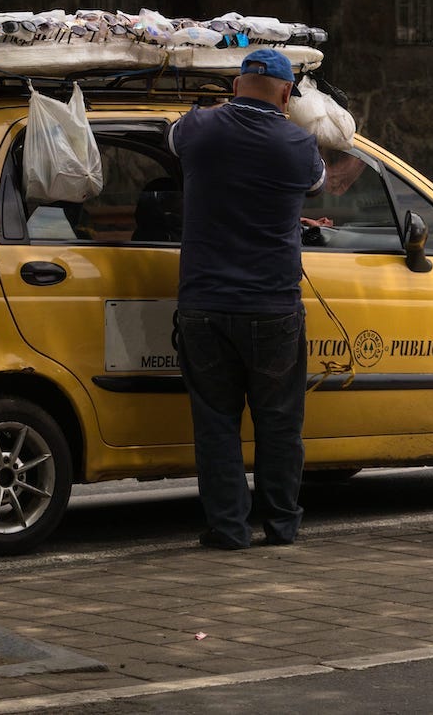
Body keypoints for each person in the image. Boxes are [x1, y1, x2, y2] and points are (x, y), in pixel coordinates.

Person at [168, 48, 326, 550]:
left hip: (205, 306)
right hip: (273, 308)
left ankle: (227, 528)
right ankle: (282, 527)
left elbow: (172, 135)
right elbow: (320, 181)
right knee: (280, 424)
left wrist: (214, 106)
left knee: (216, 422)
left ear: (235, 86)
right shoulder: (299, 144)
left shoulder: (197, 130)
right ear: (286, 94)